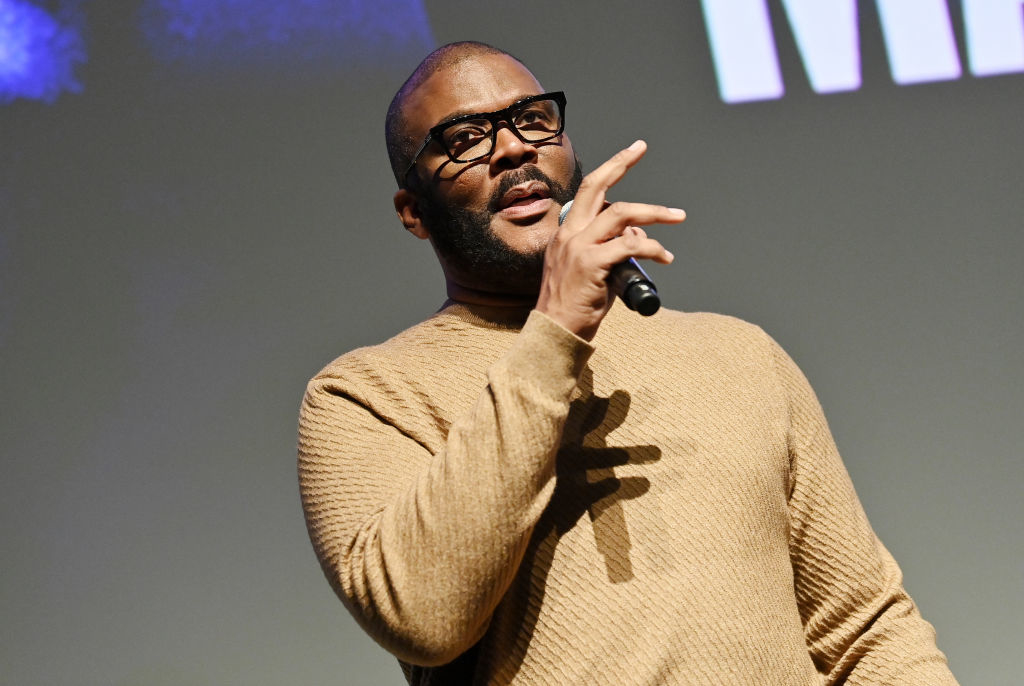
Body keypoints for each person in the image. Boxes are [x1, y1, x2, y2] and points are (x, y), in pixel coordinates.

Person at [298, 41, 957, 685]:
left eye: (533, 121)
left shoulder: (738, 353)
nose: (513, 147)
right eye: (466, 139)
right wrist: (553, 331)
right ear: (413, 213)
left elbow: (864, 627)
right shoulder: (365, 395)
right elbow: (422, 618)